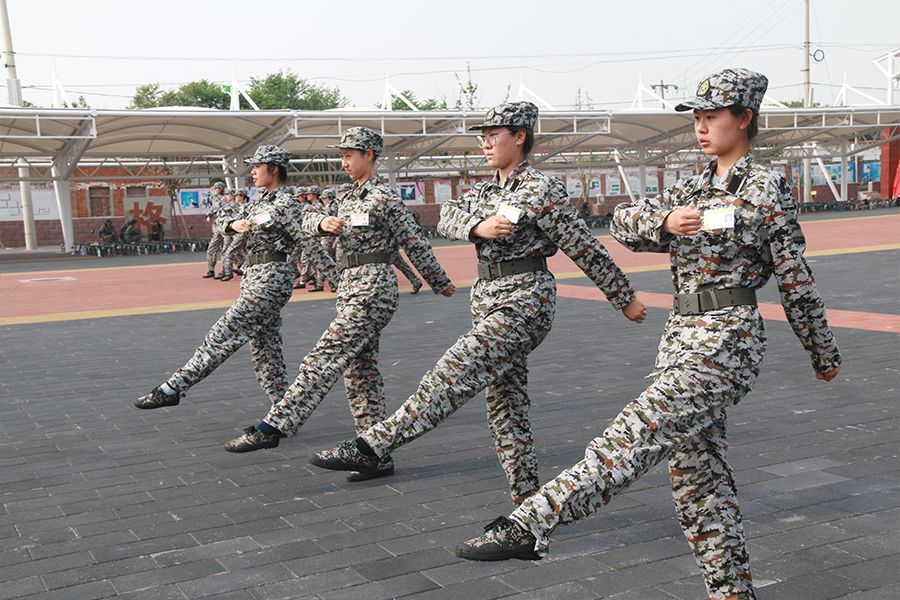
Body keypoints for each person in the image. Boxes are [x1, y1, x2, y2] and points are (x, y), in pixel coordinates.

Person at [453, 70, 843, 600]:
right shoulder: (690, 186)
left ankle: (530, 524)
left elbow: (796, 280)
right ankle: (732, 592)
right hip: (679, 336)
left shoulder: (765, 188)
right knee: (697, 482)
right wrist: (665, 222)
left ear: (745, 118)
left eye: (712, 117)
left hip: (727, 341)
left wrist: (822, 350)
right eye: (697, 118)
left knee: (634, 433)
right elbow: (624, 223)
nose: (701, 128)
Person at [308, 102, 645, 499]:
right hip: (487, 299)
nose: (485, 145)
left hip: (525, 299)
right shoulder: (484, 191)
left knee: (454, 369)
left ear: (519, 136)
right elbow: (446, 218)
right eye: (482, 138)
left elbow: (583, 247)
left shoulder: (541, 189)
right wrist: (477, 226)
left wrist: (623, 297)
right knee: (505, 404)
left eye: (493, 136)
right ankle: (526, 499)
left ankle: (373, 445)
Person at [223, 127, 455, 484]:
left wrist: (439, 281)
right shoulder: (344, 197)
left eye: (350, 155)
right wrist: (322, 222)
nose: (344, 162)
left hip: (374, 286)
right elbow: (304, 221)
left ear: (370, 155)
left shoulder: (384, 198)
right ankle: (375, 453)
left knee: (325, 354)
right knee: (360, 372)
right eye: (342, 155)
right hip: (350, 287)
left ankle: (274, 426)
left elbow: (414, 241)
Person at [134, 145, 310, 409]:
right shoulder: (259, 202)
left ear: (273, 169)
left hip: (271, 281)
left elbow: (309, 243)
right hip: (255, 278)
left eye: (257, 167)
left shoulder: (286, 205)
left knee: (222, 334)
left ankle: (173, 387)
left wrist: (339, 281)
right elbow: (222, 224)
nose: (252, 172)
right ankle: (284, 414)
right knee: (266, 352)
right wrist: (233, 225)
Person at [219, 189, 251, 281]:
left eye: (237, 195)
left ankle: (228, 273)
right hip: (236, 233)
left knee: (230, 252)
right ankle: (244, 269)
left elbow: (240, 217)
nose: (235, 197)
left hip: (242, 233)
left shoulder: (246, 207)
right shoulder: (236, 206)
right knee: (243, 253)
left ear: (242, 196)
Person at [203, 182, 228, 278]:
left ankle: (222, 270)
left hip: (222, 227)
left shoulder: (224, 199)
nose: (215, 190)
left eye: (216, 188)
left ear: (220, 189)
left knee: (214, 249)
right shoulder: (215, 199)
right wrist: (209, 214)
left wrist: (214, 213)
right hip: (217, 227)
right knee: (223, 249)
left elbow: (224, 210)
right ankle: (213, 270)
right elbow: (212, 209)